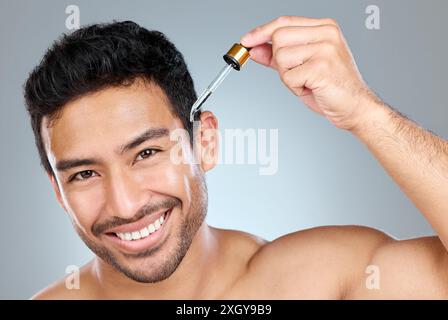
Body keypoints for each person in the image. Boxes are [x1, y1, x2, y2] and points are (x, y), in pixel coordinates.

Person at [25, 16, 448, 299]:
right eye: (84, 174)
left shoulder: (323, 280)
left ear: (204, 141)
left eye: (147, 152)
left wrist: (365, 113)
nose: (125, 205)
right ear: (58, 192)